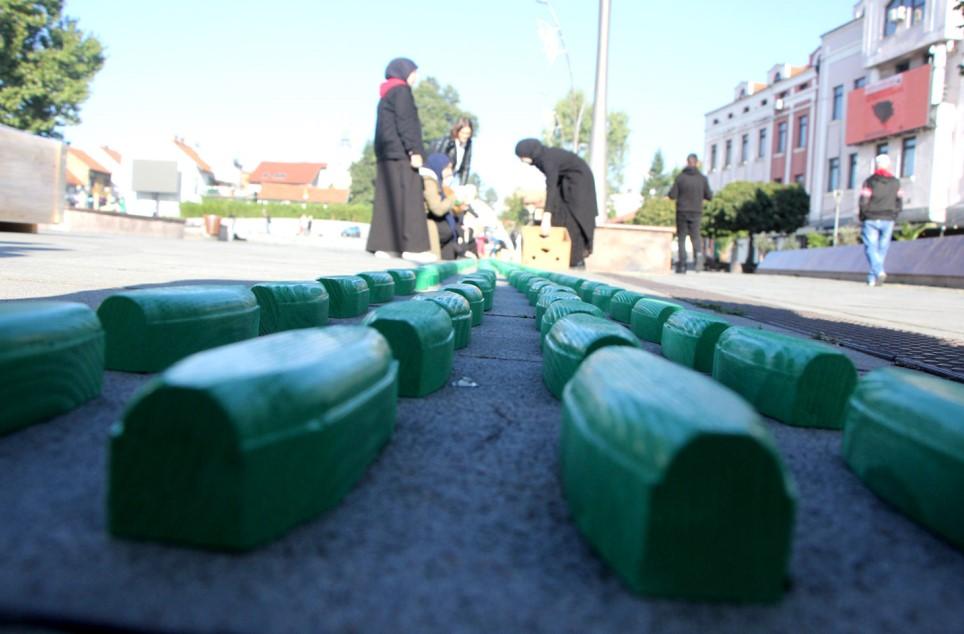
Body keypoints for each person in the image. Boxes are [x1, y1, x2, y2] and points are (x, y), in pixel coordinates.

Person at [367, 57, 435, 262]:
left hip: (387, 154)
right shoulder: (402, 92)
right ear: (404, 72)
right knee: (410, 199)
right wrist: (414, 150)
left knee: (388, 200)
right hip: (401, 154)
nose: (416, 77)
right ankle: (412, 247)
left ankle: (386, 246)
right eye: (414, 72)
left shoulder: (386, 93)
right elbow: (406, 123)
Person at [514, 139, 597, 268]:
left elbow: (551, 185)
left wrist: (546, 215)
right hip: (565, 183)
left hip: (579, 183)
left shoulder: (547, 158)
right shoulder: (541, 158)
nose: (522, 160)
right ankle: (560, 257)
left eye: (522, 156)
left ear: (529, 152)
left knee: (574, 220)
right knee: (559, 217)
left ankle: (576, 261)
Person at [859, 154, 902, 287]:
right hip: (888, 218)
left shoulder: (870, 181)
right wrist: (895, 214)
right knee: (882, 248)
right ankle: (874, 277)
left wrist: (863, 215)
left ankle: (877, 272)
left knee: (871, 247)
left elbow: (863, 200)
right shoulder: (896, 182)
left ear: (876, 165)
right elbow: (899, 200)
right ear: (888, 165)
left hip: (871, 218)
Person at [668, 153, 712, 273]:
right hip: (696, 211)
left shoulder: (680, 178)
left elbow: (672, 195)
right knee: (695, 236)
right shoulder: (702, 179)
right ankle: (698, 260)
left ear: (687, 162)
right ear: (697, 163)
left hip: (682, 210)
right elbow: (709, 195)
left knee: (681, 238)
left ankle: (682, 265)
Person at [420, 153, 465, 260]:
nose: (450, 173)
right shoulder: (429, 181)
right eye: (447, 168)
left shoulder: (437, 182)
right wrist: (453, 197)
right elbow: (437, 209)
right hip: (429, 225)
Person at [432, 118, 474, 186]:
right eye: (463, 133)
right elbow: (438, 160)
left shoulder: (469, 143)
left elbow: (466, 167)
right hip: (440, 175)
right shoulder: (448, 141)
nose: (465, 136)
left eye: (468, 133)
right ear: (457, 131)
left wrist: (462, 186)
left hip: (453, 176)